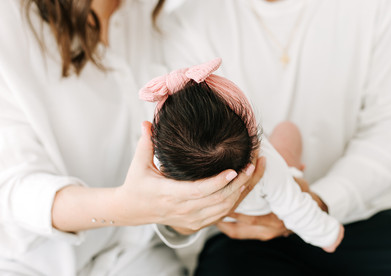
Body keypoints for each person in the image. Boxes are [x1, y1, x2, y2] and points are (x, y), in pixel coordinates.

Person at [0, 1, 265, 275]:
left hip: (139, 257)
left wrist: (193, 211)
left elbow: (165, 195)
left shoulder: (149, 15)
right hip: (32, 265)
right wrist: (126, 207)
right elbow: (12, 191)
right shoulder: (9, 25)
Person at [158, 0, 391, 274]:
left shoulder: (386, 7)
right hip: (244, 233)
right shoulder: (185, 22)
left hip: (364, 211)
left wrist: (321, 201)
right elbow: (171, 146)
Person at [140, 57, 344, 252]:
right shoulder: (266, 162)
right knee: (287, 130)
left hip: (224, 220)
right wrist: (328, 235)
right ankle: (293, 169)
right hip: (269, 205)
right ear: (252, 135)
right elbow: (296, 208)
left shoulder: (164, 170)